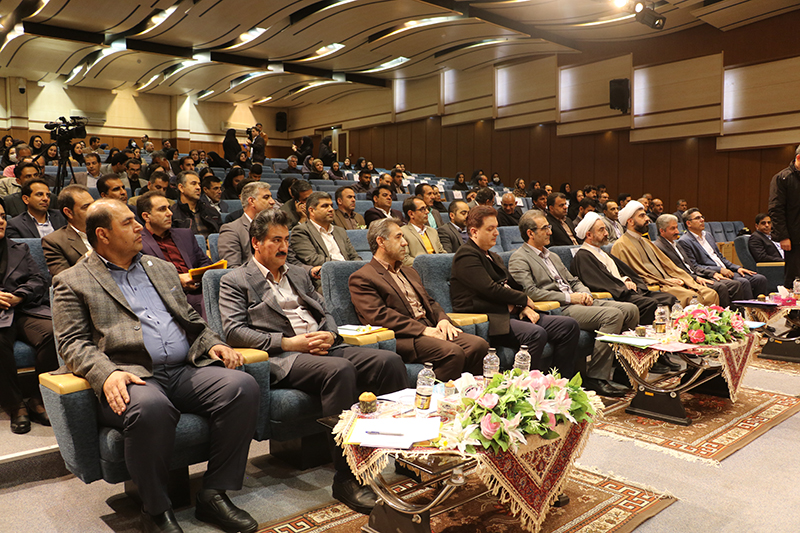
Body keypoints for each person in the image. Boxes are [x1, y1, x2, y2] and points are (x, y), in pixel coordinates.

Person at [52, 199, 259, 533]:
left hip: (182, 369)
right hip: (131, 376)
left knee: (242, 387)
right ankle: (156, 511)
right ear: (103, 234)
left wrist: (214, 342)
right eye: (128, 222)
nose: (138, 227)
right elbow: (72, 343)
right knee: (151, 408)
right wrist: (107, 374)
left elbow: (190, 319)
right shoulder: (72, 280)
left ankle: (213, 493)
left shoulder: (158, 267)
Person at [219, 208, 406, 515]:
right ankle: (346, 478)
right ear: (256, 243)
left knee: (389, 362)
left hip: (323, 347)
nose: (284, 247)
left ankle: (400, 453)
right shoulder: (235, 279)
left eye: (287, 240)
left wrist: (331, 336)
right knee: (341, 370)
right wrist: (289, 342)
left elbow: (326, 312)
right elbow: (234, 331)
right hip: (286, 356)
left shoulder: (296, 273)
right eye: (276, 240)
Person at [509, 211, 637, 396]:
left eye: (549, 227)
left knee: (631, 310)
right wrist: (571, 298)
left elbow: (573, 280)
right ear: (530, 233)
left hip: (578, 302)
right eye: (545, 228)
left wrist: (584, 293)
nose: (550, 232)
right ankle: (596, 377)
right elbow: (531, 292)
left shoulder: (552, 255)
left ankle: (620, 370)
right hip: (558, 308)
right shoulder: (519, 258)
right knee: (613, 315)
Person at [349, 218, 488, 380]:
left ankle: (470, 395)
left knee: (479, 345)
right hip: (403, 337)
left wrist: (442, 320)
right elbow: (379, 316)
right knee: (452, 352)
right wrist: (423, 330)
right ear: (381, 241)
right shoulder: (362, 277)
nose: (405, 243)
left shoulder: (409, 271)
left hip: (429, 326)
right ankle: (432, 399)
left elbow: (429, 302)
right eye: (398, 237)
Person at [450, 206, 580, 377]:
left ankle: (560, 381)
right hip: (489, 317)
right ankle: (521, 388)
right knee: (535, 334)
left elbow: (513, 286)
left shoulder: (493, 256)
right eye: (490, 229)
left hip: (509, 312)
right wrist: (523, 300)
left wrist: (522, 304)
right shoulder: (466, 255)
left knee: (568, 326)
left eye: (496, 228)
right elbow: (490, 289)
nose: (496, 233)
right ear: (474, 232)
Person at [0, 201, 57, 434]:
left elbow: (39, 280)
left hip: (23, 308)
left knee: (53, 333)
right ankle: (15, 405)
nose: (1, 221)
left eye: (3, 216)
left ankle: (37, 398)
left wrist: (19, 295)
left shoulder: (20, 248)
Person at [570, 213, 677, 325]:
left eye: (605, 229)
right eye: (601, 230)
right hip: (617, 295)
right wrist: (622, 285)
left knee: (669, 298)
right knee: (650, 304)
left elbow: (620, 271)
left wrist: (626, 280)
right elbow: (597, 281)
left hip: (623, 290)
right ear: (589, 235)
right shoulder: (583, 256)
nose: (606, 233)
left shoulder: (602, 252)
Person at [611, 201, 718, 306]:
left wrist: (680, 278)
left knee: (710, 294)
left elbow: (669, 266)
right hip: (658, 285)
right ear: (631, 221)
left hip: (668, 281)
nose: (647, 219)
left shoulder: (646, 242)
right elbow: (628, 274)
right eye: (642, 216)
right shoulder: (620, 245)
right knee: (691, 297)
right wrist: (667, 281)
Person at [138, 191, 213, 318]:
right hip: (167, 297)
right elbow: (141, 277)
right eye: (162, 209)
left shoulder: (185, 234)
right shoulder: (138, 242)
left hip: (199, 290)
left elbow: (204, 262)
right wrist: (177, 279)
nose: (170, 213)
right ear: (146, 216)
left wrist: (196, 277)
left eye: (169, 208)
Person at [654, 214, 745, 308]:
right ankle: (722, 318)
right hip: (687, 280)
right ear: (662, 231)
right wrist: (695, 278)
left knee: (735, 284)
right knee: (721, 287)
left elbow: (692, 266)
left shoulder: (675, 244)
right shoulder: (659, 247)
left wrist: (711, 273)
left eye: (677, 227)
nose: (677, 231)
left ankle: (737, 317)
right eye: (672, 229)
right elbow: (675, 271)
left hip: (696, 275)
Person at [678, 208, 767, 299]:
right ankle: (748, 311)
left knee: (759, 279)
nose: (702, 220)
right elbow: (695, 266)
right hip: (711, 274)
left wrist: (737, 268)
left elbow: (721, 257)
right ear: (688, 223)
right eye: (697, 218)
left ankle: (761, 309)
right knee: (743, 282)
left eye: (702, 217)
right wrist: (719, 270)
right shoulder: (685, 241)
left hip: (725, 270)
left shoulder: (707, 235)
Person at [290, 192, 361, 273]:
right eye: (325, 206)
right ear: (312, 210)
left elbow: (354, 256)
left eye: (331, 206)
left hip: (350, 274)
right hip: (326, 277)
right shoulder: (301, 231)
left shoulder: (340, 231)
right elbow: (312, 259)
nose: (331, 209)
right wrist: (344, 265)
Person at [219, 182, 277, 268]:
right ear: (252, 201)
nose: (272, 202)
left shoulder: (276, 227)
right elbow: (232, 269)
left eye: (271, 197)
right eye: (266, 197)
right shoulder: (231, 230)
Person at [42, 185, 94, 276]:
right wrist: (90, 255)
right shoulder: (54, 241)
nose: (94, 210)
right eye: (86, 207)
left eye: (93, 204)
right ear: (69, 212)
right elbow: (63, 279)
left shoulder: (109, 231)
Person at [768, 146, 800, 287]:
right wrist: (783, 236)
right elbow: (776, 210)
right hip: (793, 237)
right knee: (793, 277)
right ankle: (792, 308)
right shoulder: (782, 178)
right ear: (798, 158)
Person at [170, 171, 222, 238]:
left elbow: (222, 236)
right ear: (181, 188)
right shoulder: (172, 214)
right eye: (193, 184)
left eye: (199, 185)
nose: (198, 187)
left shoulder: (212, 211)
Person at [400, 197, 445, 267]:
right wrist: (429, 264)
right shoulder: (403, 232)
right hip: (419, 271)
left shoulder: (433, 231)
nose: (427, 212)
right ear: (411, 214)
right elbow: (405, 259)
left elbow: (441, 252)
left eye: (426, 208)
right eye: (422, 209)